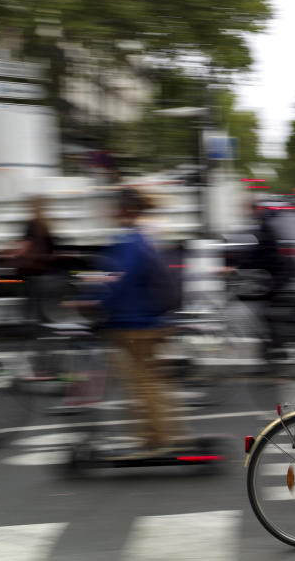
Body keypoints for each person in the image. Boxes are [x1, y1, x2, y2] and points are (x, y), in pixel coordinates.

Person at [96, 187, 179, 454]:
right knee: (150, 380)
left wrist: (97, 304)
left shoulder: (129, 241)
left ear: (126, 210)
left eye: (115, 207)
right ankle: (160, 434)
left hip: (135, 325)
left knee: (142, 382)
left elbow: (120, 280)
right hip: (146, 321)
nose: (111, 212)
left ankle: (155, 438)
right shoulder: (142, 238)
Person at [0, 196, 57, 327]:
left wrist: (8, 252)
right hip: (44, 270)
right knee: (39, 303)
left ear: (32, 208)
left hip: (31, 270)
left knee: (29, 301)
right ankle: (43, 327)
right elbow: (53, 247)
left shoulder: (32, 224)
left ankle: (29, 326)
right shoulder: (47, 224)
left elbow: (24, 246)